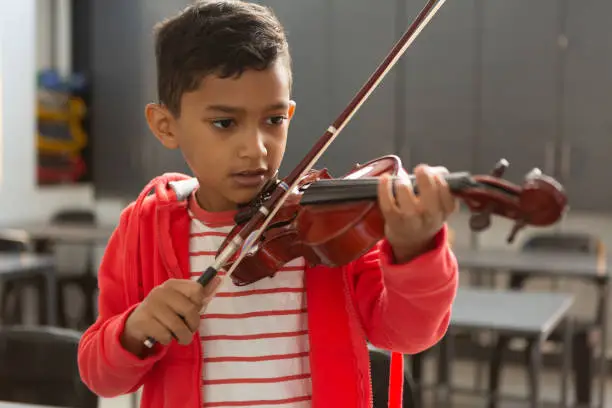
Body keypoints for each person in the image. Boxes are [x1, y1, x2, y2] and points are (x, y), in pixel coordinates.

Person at [77, 1, 459, 407]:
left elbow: (409, 334)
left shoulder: (327, 230)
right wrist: (133, 330)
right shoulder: (144, 228)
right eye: (225, 123)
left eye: (273, 120)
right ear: (165, 125)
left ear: (290, 113)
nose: (255, 149)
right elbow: (101, 376)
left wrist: (416, 252)